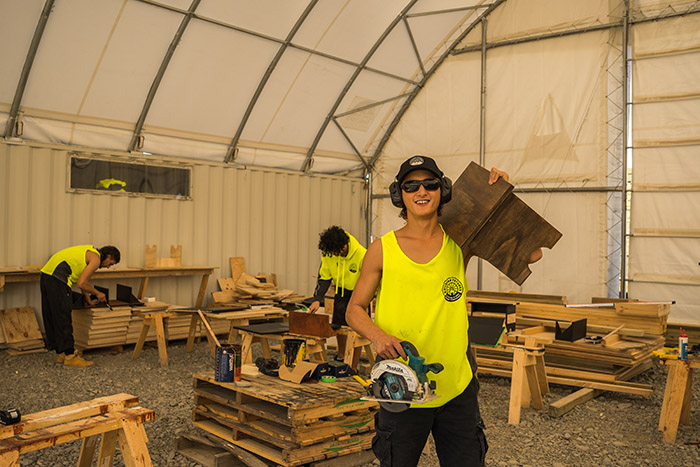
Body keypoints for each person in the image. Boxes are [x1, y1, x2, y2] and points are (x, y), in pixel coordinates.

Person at [346, 155, 542, 466]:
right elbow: (354, 309)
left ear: (443, 190)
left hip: (456, 387)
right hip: (401, 388)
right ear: (400, 194)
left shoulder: (460, 243)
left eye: (430, 184)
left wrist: (501, 200)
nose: (421, 191)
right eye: (411, 185)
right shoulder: (382, 249)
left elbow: (533, 254)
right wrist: (377, 336)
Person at [40, 245, 121, 367]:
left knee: (53, 315)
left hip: (46, 275)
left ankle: (61, 354)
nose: (108, 266)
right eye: (111, 263)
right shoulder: (96, 259)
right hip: (58, 279)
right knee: (63, 317)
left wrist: (88, 299)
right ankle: (70, 356)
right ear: (108, 256)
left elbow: (84, 282)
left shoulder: (89, 252)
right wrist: (98, 293)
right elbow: (82, 283)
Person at [309, 226, 367, 360]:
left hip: (359, 294)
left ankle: (353, 363)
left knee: (356, 330)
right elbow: (324, 277)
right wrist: (317, 299)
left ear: (343, 246)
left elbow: (368, 279)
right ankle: (341, 356)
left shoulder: (361, 254)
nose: (334, 255)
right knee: (339, 326)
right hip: (340, 293)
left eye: (336, 252)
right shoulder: (328, 254)